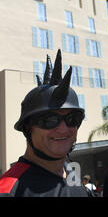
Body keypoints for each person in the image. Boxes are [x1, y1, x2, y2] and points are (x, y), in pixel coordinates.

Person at [0, 50, 91, 197]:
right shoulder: (8, 191)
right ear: (27, 128)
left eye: (72, 119)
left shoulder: (71, 174)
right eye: (50, 120)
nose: (63, 129)